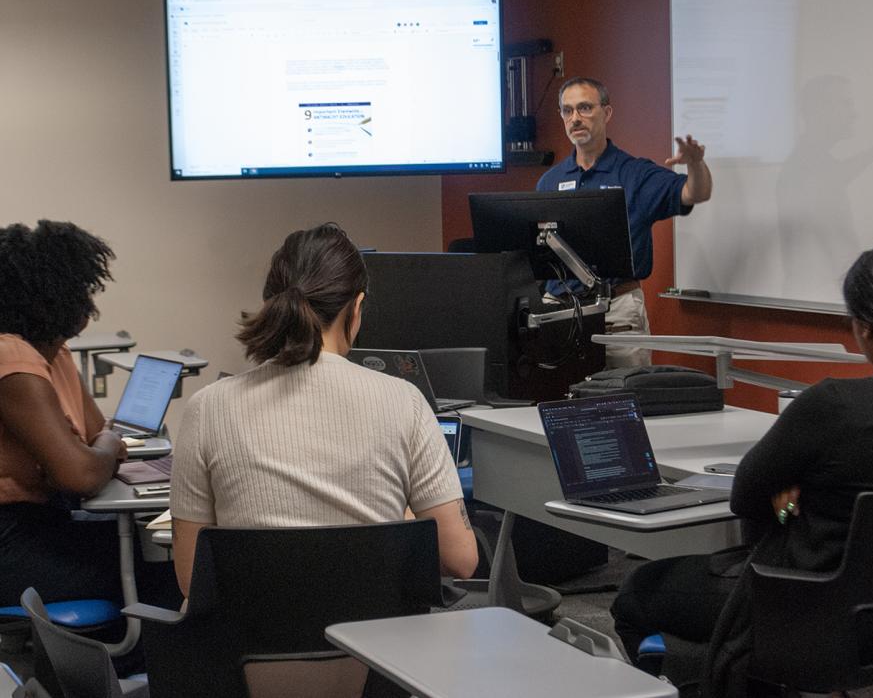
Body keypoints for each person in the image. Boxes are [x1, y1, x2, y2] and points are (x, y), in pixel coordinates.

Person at [610, 241, 873, 696]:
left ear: (864, 327)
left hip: (789, 607)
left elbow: (746, 498)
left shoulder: (835, 404)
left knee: (637, 591)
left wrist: (791, 510)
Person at [170, 223, 478, 598]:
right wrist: (402, 521)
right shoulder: (404, 401)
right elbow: (461, 560)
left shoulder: (207, 408)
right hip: (380, 651)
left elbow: (192, 580)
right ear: (357, 309)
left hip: (252, 653)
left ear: (271, 304)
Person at [536, 76, 713, 368]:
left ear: (606, 113)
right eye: (568, 111)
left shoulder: (635, 174)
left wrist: (695, 163)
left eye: (584, 108)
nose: (575, 118)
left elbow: (695, 192)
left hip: (616, 311)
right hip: (560, 312)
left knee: (625, 401)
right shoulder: (550, 181)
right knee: (559, 404)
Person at [0, 220, 128, 605]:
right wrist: (105, 446)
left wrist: (100, 445)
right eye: (85, 290)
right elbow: (80, 472)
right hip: (11, 541)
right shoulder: (11, 355)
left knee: (148, 552)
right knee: (161, 570)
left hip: (40, 524)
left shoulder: (53, 351)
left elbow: (93, 434)